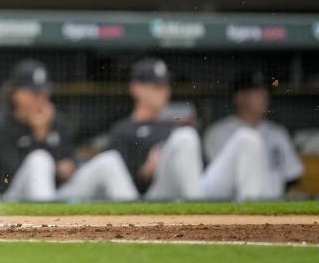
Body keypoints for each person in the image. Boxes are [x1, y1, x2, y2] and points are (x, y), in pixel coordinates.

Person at [108, 58, 267, 200]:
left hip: (196, 189)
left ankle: (251, 218)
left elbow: (204, 171)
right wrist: (144, 172)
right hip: (156, 196)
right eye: (156, 86)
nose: (164, 91)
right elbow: (118, 185)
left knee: (248, 137)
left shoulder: (175, 125)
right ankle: (198, 215)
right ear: (136, 88)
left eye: (166, 85)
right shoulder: (123, 129)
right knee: (185, 137)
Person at [0, 59, 137, 201]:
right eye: (34, 94)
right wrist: (40, 135)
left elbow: (69, 159)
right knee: (39, 159)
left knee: (110, 161)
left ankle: (137, 221)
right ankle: (46, 223)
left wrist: (70, 166)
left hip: (56, 195)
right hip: (16, 199)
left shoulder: (57, 121)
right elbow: (13, 175)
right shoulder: (2, 128)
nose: (41, 99)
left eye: (44, 92)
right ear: (16, 94)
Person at [204, 71, 303, 200]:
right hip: (232, 206)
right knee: (248, 138)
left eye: (265, 91)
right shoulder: (218, 133)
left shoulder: (278, 133)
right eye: (257, 91)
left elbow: (291, 181)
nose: (264, 96)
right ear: (238, 97)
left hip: (274, 207)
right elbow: (222, 180)